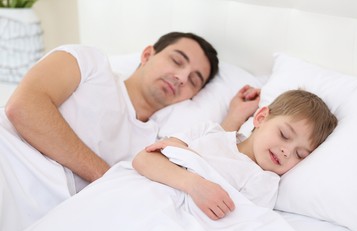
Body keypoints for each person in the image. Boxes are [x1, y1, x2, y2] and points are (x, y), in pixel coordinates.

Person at [3, 31, 259, 193]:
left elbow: (205, 160)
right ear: (148, 54)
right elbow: (23, 106)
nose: (181, 77)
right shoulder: (90, 63)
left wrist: (234, 117)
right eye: (177, 61)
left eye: (194, 80)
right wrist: (106, 178)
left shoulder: (152, 148)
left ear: (193, 96)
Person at [133, 89, 338, 220]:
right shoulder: (209, 132)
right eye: (284, 135)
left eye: (300, 155)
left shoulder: (264, 182)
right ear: (260, 118)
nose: (287, 151)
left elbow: (237, 222)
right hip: (144, 198)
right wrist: (193, 182)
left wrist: (184, 156)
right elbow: (143, 159)